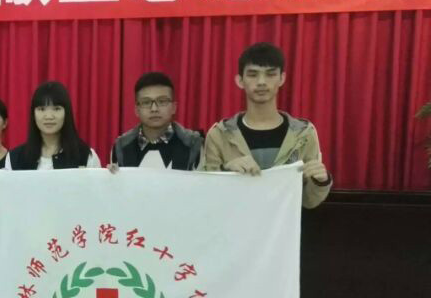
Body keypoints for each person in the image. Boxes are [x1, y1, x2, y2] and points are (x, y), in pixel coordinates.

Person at [204, 42, 332, 210]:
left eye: (270, 74)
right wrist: (225, 170)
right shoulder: (219, 135)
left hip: (285, 225)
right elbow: (207, 194)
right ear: (240, 80)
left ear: (282, 78)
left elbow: (309, 202)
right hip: (234, 224)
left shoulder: (304, 134)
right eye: (253, 74)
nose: (261, 82)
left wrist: (320, 181)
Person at [111, 72, 202, 170]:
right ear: (137, 110)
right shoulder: (121, 146)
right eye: (146, 102)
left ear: (174, 107)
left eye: (162, 101)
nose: (154, 109)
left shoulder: (193, 144)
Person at [6, 81, 101, 169]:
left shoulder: (86, 156)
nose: (49, 116)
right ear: (33, 114)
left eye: (56, 109)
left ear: (66, 113)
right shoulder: (14, 158)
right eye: (42, 109)